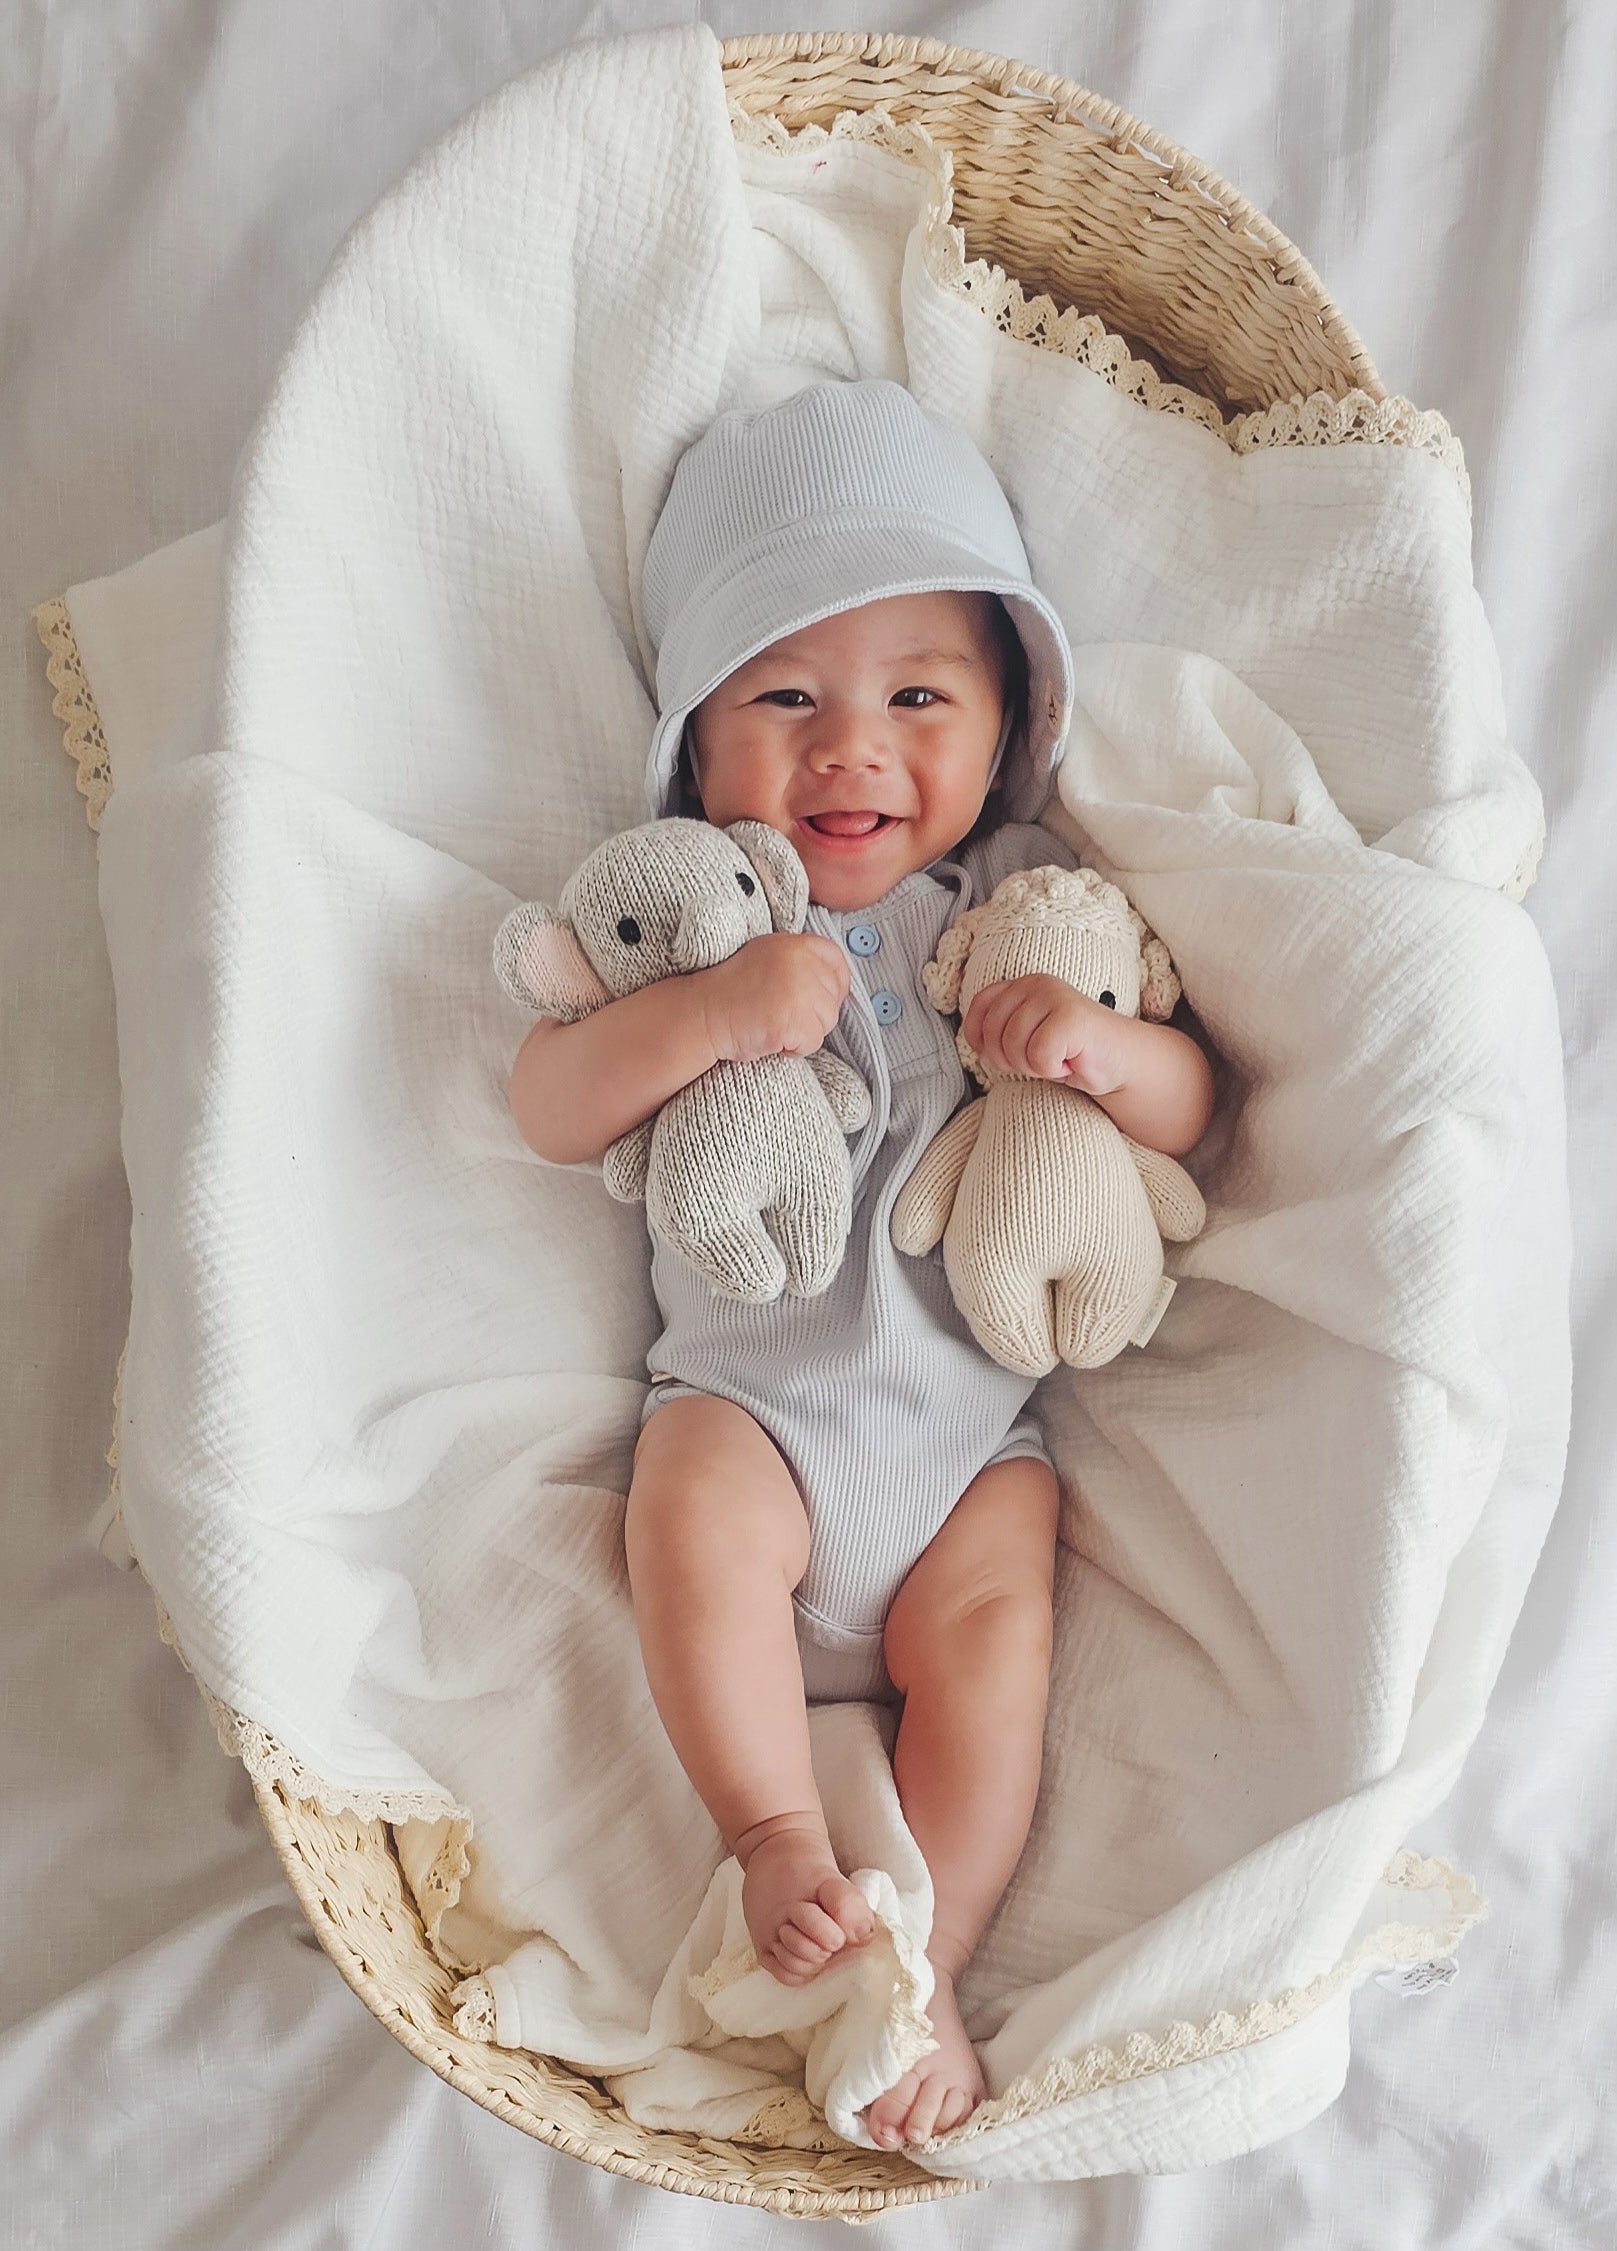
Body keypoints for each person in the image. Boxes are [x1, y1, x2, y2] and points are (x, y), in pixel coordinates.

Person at [507, 381, 1214, 2147]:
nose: (851, 752)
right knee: (689, 1514)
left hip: (973, 1449)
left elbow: (1192, 1113)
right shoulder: (690, 911)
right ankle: (776, 1840)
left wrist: (1094, 1054)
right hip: (750, 1405)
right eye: (786, 700)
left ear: (1003, 725)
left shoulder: (1026, 906)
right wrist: (716, 1014)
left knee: (1000, 1631)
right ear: (696, 745)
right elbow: (548, 1098)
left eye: (918, 696)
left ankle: (934, 1969)